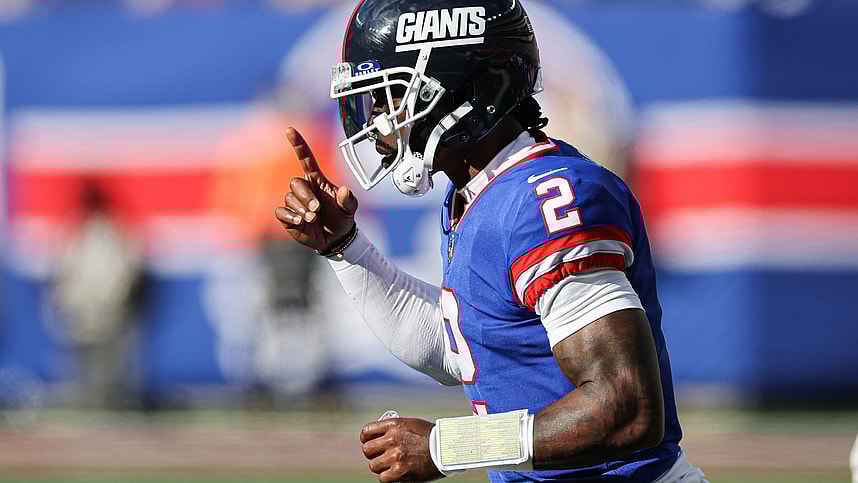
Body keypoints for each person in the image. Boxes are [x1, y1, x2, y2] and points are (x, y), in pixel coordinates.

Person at [275, 0, 706, 481]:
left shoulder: (547, 200)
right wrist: (344, 247)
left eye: (391, 94)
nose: (375, 116)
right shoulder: (479, 196)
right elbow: (465, 348)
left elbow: (626, 405)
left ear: (459, 87)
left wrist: (448, 447)